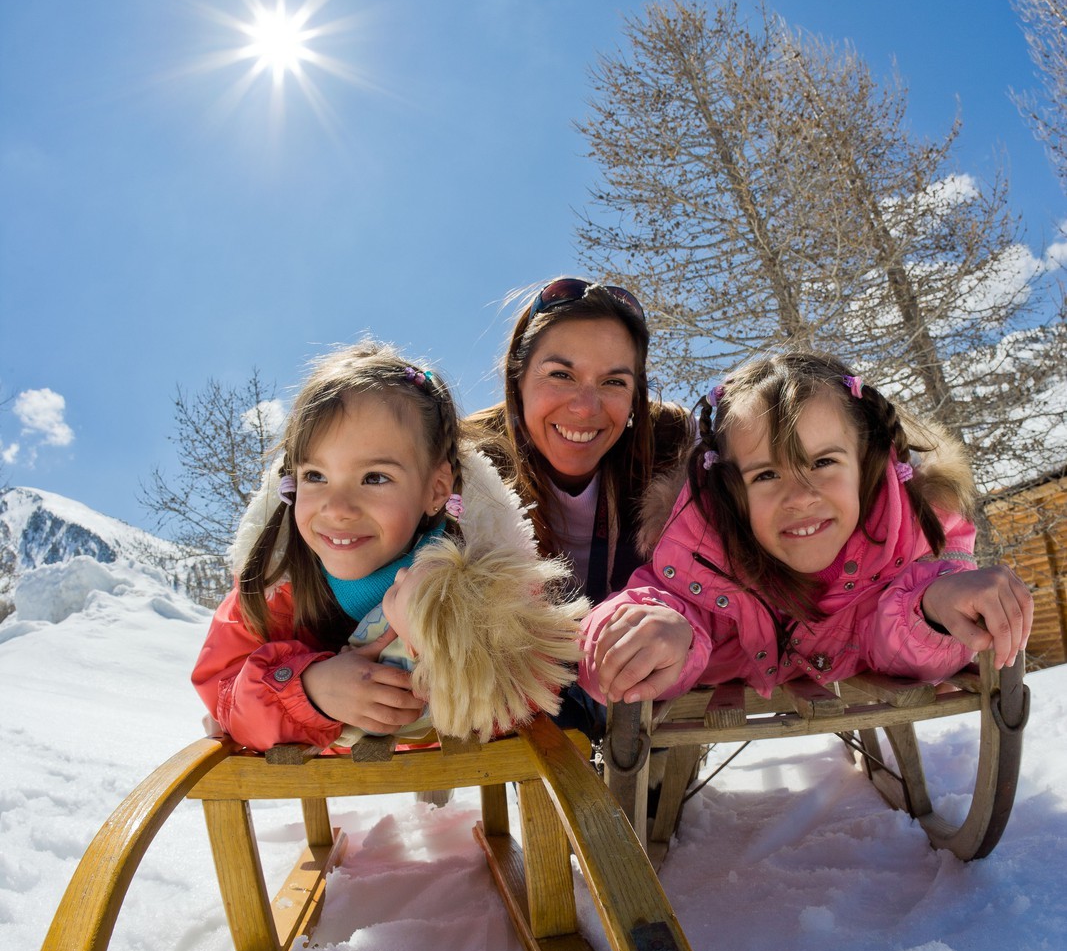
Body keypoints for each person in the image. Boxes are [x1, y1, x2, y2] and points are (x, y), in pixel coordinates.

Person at [193, 341, 586, 752]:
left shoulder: (484, 581)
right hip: (343, 789)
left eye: (375, 478)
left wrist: (444, 638)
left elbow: (535, 692)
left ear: (435, 490)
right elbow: (222, 693)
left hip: (444, 769)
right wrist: (307, 691)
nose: (338, 509)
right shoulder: (273, 589)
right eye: (315, 476)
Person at [580, 351, 1033, 706]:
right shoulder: (705, 551)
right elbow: (661, 598)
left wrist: (935, 608)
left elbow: (894, 634)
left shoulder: (908, 542)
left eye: (822, 462)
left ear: (867, 465)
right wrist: (650, 629)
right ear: (730, 491)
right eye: (766, 475)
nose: (799, 497)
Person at [466, 278, 690, 602]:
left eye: (613, 381)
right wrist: (362, 647)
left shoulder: (680, 445)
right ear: (518, 377)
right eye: (561, 375)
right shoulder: (459, 462)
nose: (585, 409)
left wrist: (685, 626)